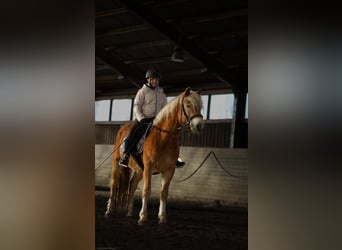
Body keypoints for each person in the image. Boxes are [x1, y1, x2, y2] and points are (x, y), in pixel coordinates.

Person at [119, 67, 186, 168]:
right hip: (143, 119)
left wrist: (165, 119)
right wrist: (141, 118)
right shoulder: (142, 92)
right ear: (148, 80)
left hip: (157, 121)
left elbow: (165, 109)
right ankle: (126, 156)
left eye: (157, 79)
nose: (155, 81)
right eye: (153, 79)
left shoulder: (162, 94)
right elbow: (136, 105)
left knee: (171, 135)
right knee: (132, 134)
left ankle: (175, 157)